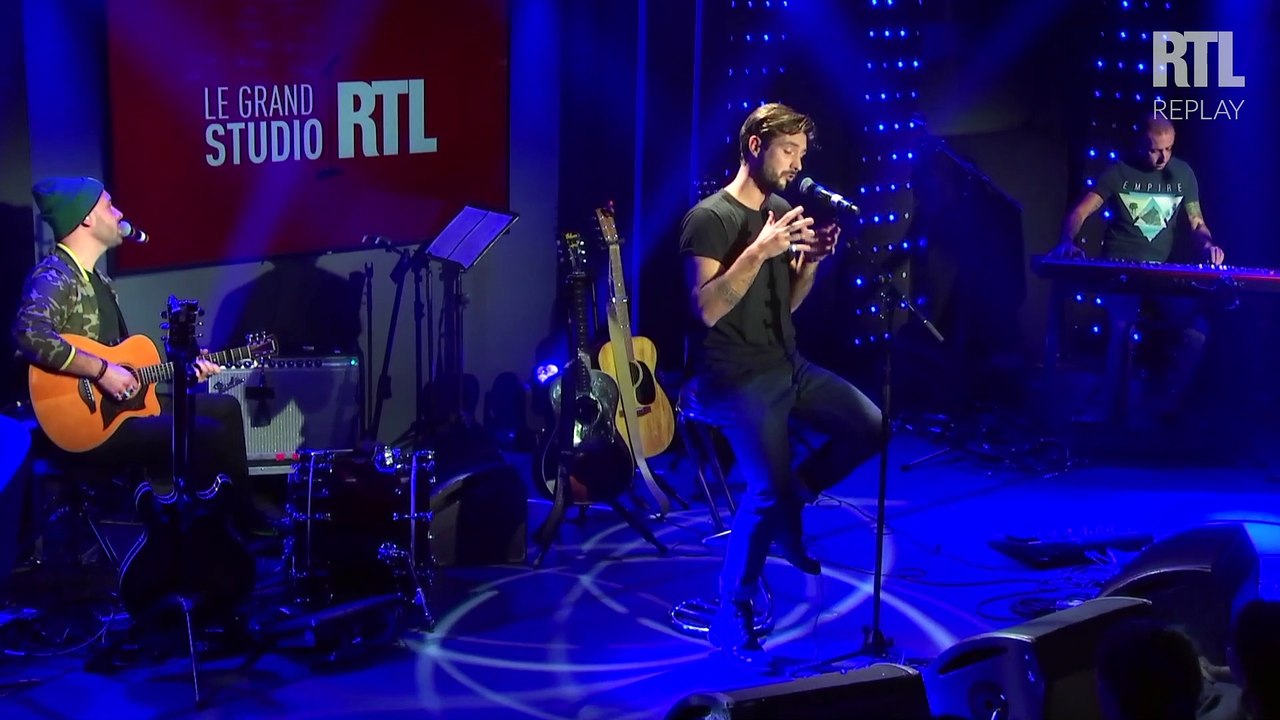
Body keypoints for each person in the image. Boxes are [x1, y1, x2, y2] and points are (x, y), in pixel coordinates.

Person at [679, 103, 883, 659]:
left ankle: (795, 499)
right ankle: (733, 607)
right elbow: (707, 309)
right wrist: (759, 251)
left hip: (785, 361)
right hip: (733, 377)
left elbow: (786, 305)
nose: (796, 164)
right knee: (763, 490)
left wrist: (809, 265)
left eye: (801, 154)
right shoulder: (709, 218)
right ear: (755, 145)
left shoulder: (782, 209)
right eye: (788, 151)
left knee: (871, 426)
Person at [11, 177, 250, 508]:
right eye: (109, 206)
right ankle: (214, 525)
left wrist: (182, 370)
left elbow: (128, 374)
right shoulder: (54, 275)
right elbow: (29, 334)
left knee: (224, 409)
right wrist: (101, 370)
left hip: (119, 412)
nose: (119, 213)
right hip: (87, 427)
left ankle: (242, 512)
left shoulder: (101, 283)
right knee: (204, 434)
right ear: (86, 219)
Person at [1052, 116, 1225, 422]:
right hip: (1121, 270)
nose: (1163, 158)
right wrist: (1068, 240)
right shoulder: (1118, 172)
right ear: (1140, 144)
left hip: (1161, 274)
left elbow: (1198, 223)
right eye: (1155, 150)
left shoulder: (1183, 173)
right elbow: (1080, 212)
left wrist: (1208, 245)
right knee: (1122, 328)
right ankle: (1111, 413)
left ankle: (1165, 404)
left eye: (1169, 149)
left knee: (1199, 330)